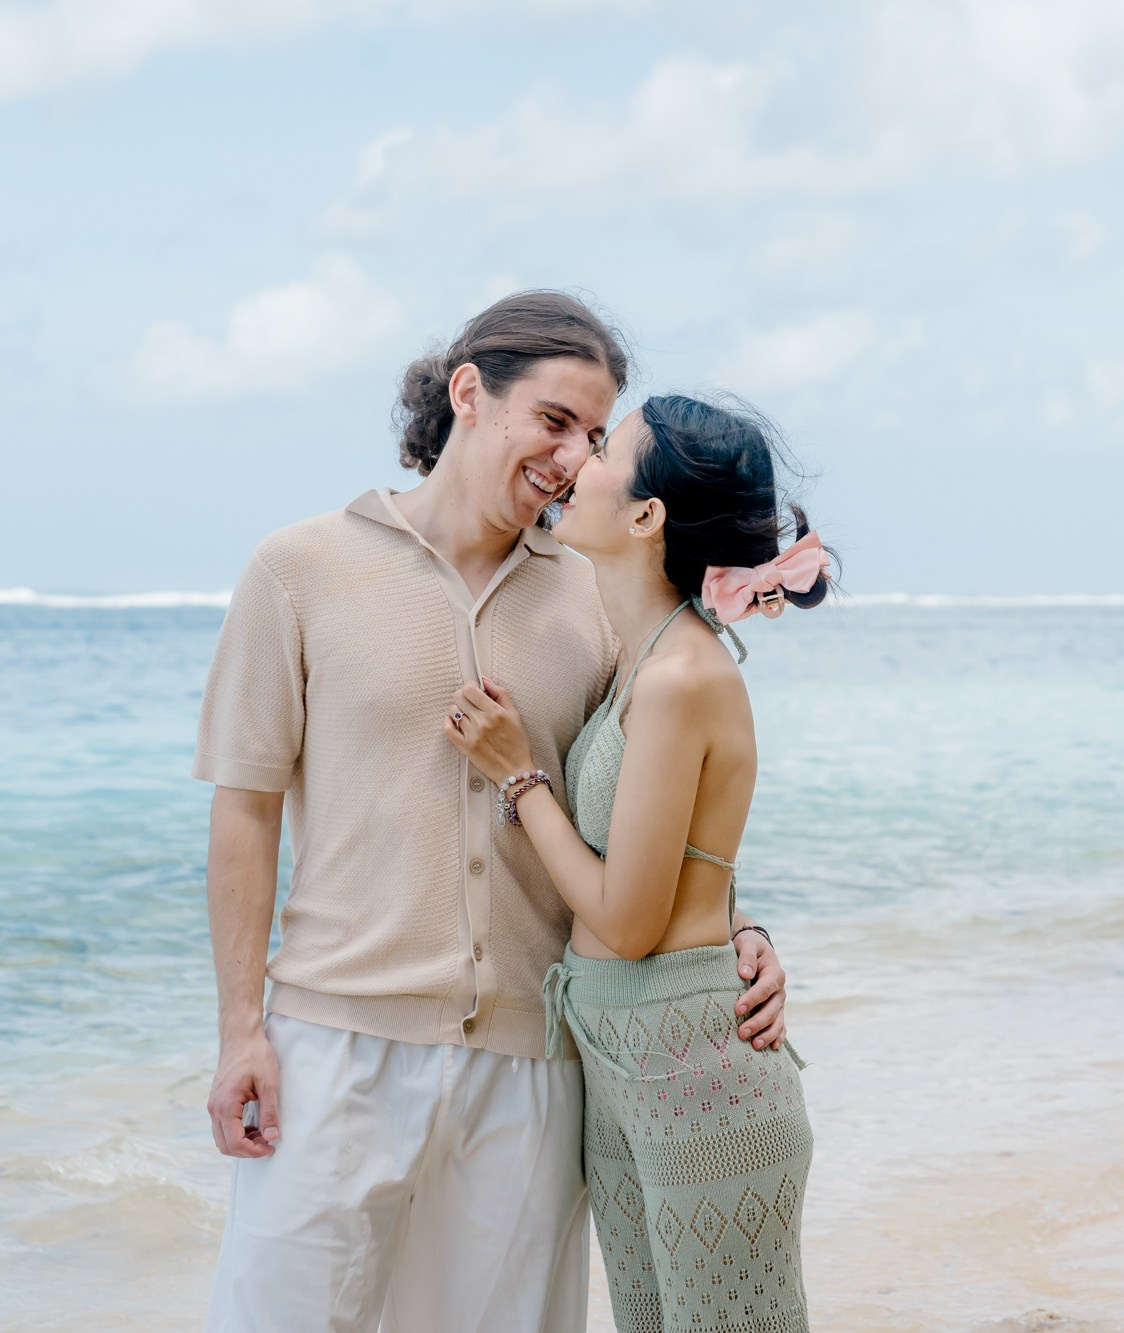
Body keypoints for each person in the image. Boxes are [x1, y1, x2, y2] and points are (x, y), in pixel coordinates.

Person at [192, 294, 791, 1333]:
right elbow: (245, 812)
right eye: (554, 421)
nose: (572, 457)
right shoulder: (297, 570)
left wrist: (736, 931)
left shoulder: (602, 595)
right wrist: (239, 1027)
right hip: (333, 1048)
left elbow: (649, 802)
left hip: (533, 1066)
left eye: (597, 437)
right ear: (469, 393)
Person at [445, 394, 825, 1333]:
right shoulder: (639, 657)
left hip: (695, 1067)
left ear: (648, 514)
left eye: (607, 446)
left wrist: (518, 774)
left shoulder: (682, 674)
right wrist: (747, 924)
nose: (581, 458)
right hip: (621, 1060)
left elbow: (627, 919)